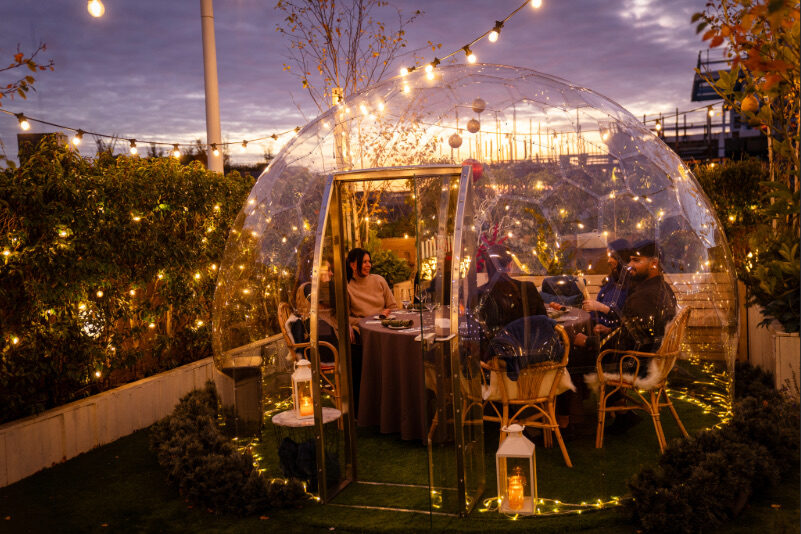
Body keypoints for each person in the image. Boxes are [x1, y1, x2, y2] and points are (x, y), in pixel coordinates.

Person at [574, 239, 677, 372]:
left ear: (654, 264)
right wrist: (610, 331)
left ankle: (603, 392)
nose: (629, 265)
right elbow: (638, 334)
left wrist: (588, 342)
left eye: (636, 260)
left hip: (633, 364)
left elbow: (629, 343)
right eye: (629, 260)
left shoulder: (645, 296)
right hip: (645, 359)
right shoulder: (660, 288)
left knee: (572, 358)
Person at [474, 244, 548, 360]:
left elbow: (477, 335)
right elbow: (544, 322)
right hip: (531, 359)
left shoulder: (479, 294)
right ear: (510, 265)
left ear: (486, 267)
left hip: (496, 363)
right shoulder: (528, 288)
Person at [581, 238, 631, 336]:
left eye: (612, 256)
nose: (609, 260)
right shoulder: (612, 279)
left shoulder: (629, 282)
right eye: (608, 256)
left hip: (610, 334)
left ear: (621, 257)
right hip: (595, 326)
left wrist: (601, 307)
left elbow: (624, 317)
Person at [294, 259, 338, 362]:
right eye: (328, 270)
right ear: (319, 271)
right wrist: (326, 280)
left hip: (323, 340)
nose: (331, 273)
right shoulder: (309, 288)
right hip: (318, 347)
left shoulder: (316, 288)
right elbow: (331, 303)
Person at [346, 248, 397, 325]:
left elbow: (393, 307)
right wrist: (368, 321)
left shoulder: (379, 280)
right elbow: (345, 318)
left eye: (369, 261)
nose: (369, 265)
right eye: (364, 262)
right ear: (353, 265)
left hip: (385, 325)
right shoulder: (347, 287)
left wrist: (388, 314)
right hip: (364, 329)